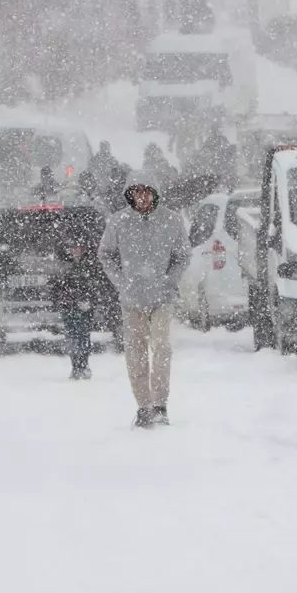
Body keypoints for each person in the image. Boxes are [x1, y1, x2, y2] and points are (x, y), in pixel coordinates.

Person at [98, 173, 190, 428]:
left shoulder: (171, 220)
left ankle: (160, 404)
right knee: (135, 353)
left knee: (161, 347)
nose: (142, 196)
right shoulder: (118, 222)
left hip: (162, 297)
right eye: (137, 191)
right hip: (132, 299)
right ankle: (144, 406)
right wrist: (122, 282)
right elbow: (106, 254)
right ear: (130, 194)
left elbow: (182, 255)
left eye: (146, 191)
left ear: (155, 193)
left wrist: (169, 281)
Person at [49, 241, 104, 380]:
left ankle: (83, 365)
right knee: (72, 337)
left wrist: (90, 300)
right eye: (73, 248)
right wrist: (60, 301)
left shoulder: (90, 265)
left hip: (84, 308)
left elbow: (96, 285)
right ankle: (76, 367)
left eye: (79, 248)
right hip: (69, 307)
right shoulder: (64, 265)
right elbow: (56, 286)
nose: (76, 250)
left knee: (83, 336)